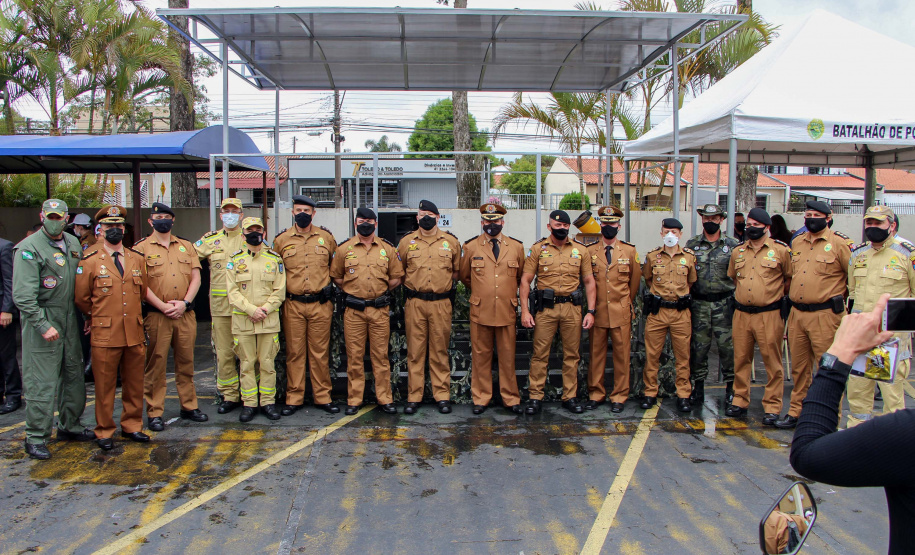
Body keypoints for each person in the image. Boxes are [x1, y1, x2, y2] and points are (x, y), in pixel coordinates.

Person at [790, 293, 915, 554]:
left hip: (875, 343)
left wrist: (840, 352)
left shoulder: (903, 434)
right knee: (860, 401)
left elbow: (808, 454)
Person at [12, 200, 93, 460]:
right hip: (44, 318)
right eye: (51, 216)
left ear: (67, 218)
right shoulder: (28, 248)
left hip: (71, 317)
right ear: (42, 216)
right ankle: (35, 437)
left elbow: (78, 283)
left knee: (73, 375)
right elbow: (23, 297)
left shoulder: (71, 243)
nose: (55, 220)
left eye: (60, 216)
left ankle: (70, 426)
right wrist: (42, 324)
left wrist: (85, 314)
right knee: (41, 382)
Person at [75, 205, 149, 451]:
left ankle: (132, 426)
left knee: (134, 383)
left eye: (118, 226)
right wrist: (95, 317)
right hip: (105, 332)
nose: (114, 230)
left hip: (134, 331)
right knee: (105, 386)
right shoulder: (89, 261)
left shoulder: (136, 258)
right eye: (109, 226)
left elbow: (142, 291)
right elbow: (82, 298)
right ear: (100, 230)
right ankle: (104, 430)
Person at [132, 203, 207, 432]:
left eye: (166, 216)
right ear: (150, 221)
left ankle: (189, 406)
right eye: (158, 216)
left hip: (185, 313)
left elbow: (196, 278)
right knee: (156, 364)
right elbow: (140, 284)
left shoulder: (186, 246)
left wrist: (184, 303)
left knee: (186, 362)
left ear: (173, 220)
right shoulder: (140, 248)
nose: (162, 220)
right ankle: (155, 412)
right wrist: (163, 306)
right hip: (157, 315)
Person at [779, 200, 852, 429]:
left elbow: (853, 278)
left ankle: (827, 417)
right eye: (808, 214)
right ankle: (796, 412)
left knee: (827, 368)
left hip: (826, 314)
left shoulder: (840, 244)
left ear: (828, 218)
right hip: (798, 313)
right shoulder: (798, 241)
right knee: (799, 368)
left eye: (816, 215)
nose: (811, 218)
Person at [519, 210, 596, 415]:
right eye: (557, 225)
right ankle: (535, 397)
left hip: (572, 309)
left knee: (572, 355)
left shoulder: (581, 250)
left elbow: (589, 281)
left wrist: (591, 311)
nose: (561, 229)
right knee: (539, 354)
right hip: (546, 309)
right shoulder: (538, 249)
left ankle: (570, 396)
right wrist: (525, 311)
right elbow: (525, 281)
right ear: (549, 226)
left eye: (565, 226)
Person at [845, 205, 915, 428]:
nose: (872, 227)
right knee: (857, 391)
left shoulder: (907, 254)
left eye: (878, 223)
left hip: (888, 339)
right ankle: (855, 435)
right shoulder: (858, 253)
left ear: (891, 226)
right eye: (869, 223)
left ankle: (890, 443)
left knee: (890, 395)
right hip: (861, 336)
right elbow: (853, 293)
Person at [330, 208, 403, 415]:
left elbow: (397, 276)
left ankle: (385, 399)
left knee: (380, 356)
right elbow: (336, 276)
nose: (366, 224)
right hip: (354, 311)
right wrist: (353, 291)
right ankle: (354, 399)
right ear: (356, 223)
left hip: (379, 310)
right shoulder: (344, 249)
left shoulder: (387, 249)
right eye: (362, 220)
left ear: (376, 224)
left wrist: (379, 291)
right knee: (354, 357)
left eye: (369, 220)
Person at [725, 208, 792, 424]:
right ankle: (740, 400)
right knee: (741, 359)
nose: (750, 228)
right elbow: (735, 279)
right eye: (749, 224)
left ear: (767, 228)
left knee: (772, 362)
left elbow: (788, 280)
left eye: (756, 224)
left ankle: (772, 406)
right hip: (742, 313)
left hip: (769, 314)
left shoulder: (781, 250)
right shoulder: (738, 252)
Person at [273, 195, 338, 415]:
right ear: (292, 212)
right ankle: (294, 398)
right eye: (299, 210)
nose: (303, 214)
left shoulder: (326, 238)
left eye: (307, 211)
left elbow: (335, 266)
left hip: (320, 304)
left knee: (320, 353)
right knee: (295, 353)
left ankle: (322, 397)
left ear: (313, 214)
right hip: (293, 304)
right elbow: (275, 271)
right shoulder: (281, 240)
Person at [459, 203, 525, 415]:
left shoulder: (516, 247)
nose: (491, 224)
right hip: (481, 310)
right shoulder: (470, 247)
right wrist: (483, 292)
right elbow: (465, 277)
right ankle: (481, 398)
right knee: (480, 356)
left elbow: (520, 275)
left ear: (502, 222)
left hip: (506, 309)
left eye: (495, 221)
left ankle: (511, 398)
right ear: (482, 222)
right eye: (488, 221)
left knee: (507, 357)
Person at [396, 200, 460, 415]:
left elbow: (457, 272)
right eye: (422, 213)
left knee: (440, 351)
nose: (426, 217)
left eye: (430, 214)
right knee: (415, 352)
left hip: (441, 303)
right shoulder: (406, 242)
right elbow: (400, 271)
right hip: (415, 302)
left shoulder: (451, 242)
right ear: (417, 217)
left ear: (437, 217)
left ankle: (442, 396)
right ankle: (414, 396)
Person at [226, 217, 287, 422]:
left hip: (268, 321)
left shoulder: (274, 260)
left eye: (258, 230)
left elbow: (279, 291)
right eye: (250, 230)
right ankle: (250, 403)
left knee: (268, 363)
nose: (255, 233)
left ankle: (268, 402)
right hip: (244, 321)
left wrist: (265, 310)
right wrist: (252, 310)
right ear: (243, 235)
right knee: (246, 364)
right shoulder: (234, 260)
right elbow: (232, 293)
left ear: (263, 233)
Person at [585, 206, 640, 413]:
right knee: (596, 354)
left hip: (620, 310)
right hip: (597, 311)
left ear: (619, 226)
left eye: (612, 223)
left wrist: (626, 302)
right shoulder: (590, 251)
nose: (609, 227)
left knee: (622, 355)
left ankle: (619, 395)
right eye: (605, 223)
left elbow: (634, 282)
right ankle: (596, 393)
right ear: (601, 224)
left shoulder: (629, 251)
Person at [195, 198, 246, 414]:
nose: (231, 215)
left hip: (245, 308)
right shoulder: (210, 241)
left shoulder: (250, 239)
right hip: (220, 307)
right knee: (224, 354)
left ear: (241, 214)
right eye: (227, 211)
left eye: (235, 211)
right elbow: (186, 259)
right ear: (221, 215)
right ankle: (229, 395)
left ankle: (250, 394)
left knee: (247, 354)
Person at [640, 218, 697, 411]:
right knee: (652, 354)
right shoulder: (652, 256)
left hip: (680, 312)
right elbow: (648, 279)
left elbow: (691, 282)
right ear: (661, 233)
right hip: (658, 312)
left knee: (682, 356)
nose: (670, 235)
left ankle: (683, 394)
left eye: (674, 231)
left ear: (680, 234)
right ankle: (649, 392)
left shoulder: (689, 257)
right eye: (666, 231)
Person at [686, 204, 739, 405]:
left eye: (714, 219)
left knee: (728, 348)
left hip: (724, 304)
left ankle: (731, 388)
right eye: (706, 219)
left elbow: (738, 276)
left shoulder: (733, 245)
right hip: (699, 304)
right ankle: (697, 388)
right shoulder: (692, 245)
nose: (710, 222)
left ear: (721, 220)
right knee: (699, 348)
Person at [0, 235, 21, 415]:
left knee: (6, 356)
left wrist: (7, 309)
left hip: (2, 312)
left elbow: (9, 280)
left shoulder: (5, 246)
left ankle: (13, 395)